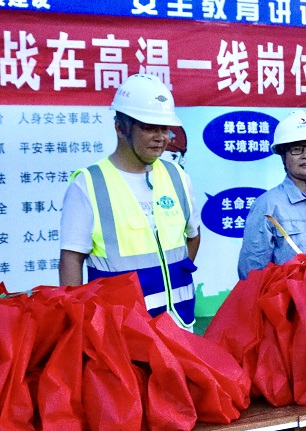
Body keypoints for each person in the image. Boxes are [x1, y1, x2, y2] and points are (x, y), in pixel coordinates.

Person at [59, 73, 201, 329]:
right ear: (120, 127)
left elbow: (193, 235)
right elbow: (71, 259)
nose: (161, 137)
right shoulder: (88, 184)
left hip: (180, 324)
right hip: (121, 332)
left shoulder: (177, 176)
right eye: (149, 127)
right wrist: (75, 323)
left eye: (164, 128)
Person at [238, 110, 306, 279]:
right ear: (283, 156)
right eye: (297, 149)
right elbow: (251, 275)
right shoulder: (268, 206)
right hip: (285, 296)